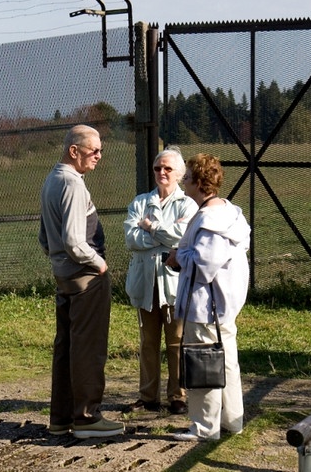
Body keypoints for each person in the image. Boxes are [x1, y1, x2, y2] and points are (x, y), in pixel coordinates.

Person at [38, 124, 125, 439]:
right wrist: (99, 263)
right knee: (88, 349)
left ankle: (60, 419)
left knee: (66, 347)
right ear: (73, 151)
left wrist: (58, 262)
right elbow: (75, 241)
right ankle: (88, 418)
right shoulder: (73, 184)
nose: (99, 156)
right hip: (86, 279)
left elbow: (45, 239)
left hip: (64, 277)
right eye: (94, 150)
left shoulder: (51, 179)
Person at [168, 153, 249, 442]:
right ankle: (231, 420)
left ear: (200, 182)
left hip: (205, 307)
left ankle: (204, 427)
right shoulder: (229, 213)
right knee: (225, 360)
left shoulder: (210, 217)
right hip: (222, 306)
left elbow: (206, 262)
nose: (183, 181)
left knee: (203, 364)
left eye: (187, 177)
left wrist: (178, 256)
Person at [123, 147, 197, 416]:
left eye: (167, 168)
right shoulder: (140, 201)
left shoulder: (187, 204)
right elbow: (131, 239)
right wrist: (164, 237)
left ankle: (178, 395)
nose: (162, 173)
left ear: (179, 173)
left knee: (176, 340)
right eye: (157, 168)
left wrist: (151, 227)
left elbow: (182, 238)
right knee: (147, 342)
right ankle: (148, 396)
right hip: (146, 283)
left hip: (173, 283)